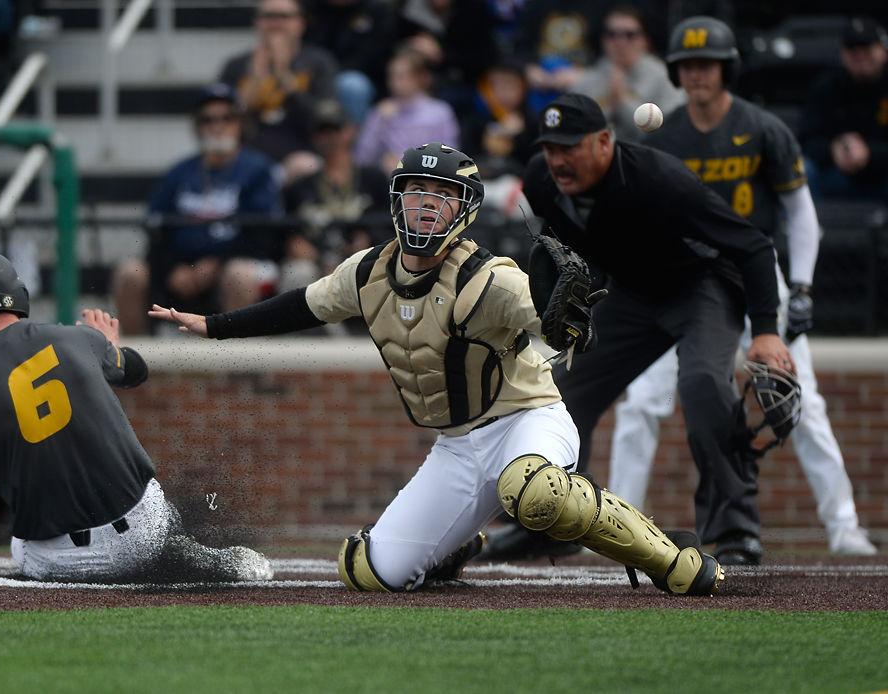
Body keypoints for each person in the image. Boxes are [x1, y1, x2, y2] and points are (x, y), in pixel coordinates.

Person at [150, 142, 725, 596]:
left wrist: (568, 319)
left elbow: (552, 322)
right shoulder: (367, 271)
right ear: (395, 200)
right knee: (369, 571)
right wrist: (216, 324)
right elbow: (302, 304)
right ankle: (453, 546)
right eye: (414, 192)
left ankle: (670, 557)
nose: (424, 205)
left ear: (465, 208)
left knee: (533, 492)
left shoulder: (489, 276)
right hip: (455, 444)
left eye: (439, 195)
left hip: (529, 418)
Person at [603, 16, 877, 557]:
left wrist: (800, 287)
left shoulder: (763, 128)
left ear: (726, 69)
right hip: (682, 281)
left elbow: (802, 216)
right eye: (687, 65)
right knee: (640, 405)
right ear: (677, 74)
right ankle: (614, 532)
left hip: (756, 276)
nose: (698, 73)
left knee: (801, 402)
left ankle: (844, 526)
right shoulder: (668, 135)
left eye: (707, 64)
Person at [520, 92, 795, 566]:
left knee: (705, 385)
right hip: (631, 294)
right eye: (550, 148)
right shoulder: (540, 179)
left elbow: (752, 245)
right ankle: (552, 521)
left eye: (570, 147)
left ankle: (735, 527)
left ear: (604, 141)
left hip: (700, 285)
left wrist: (767, 330)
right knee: (558, 394)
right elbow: (575, 242)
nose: (557, 160)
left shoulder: (660, 179)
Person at [0, 250, 272, 583]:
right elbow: (136, 370)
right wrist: (107, 346)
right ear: (14, 292)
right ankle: (184, 547)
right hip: (145, 533)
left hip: (59, 560)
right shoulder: (77, 337)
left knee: (19, 544)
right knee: (155, 508)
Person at [112, 84, 284, 336]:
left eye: (227, 117)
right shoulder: (179, 173)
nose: (218, 125)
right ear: (197, 126)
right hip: (180, 269)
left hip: (235, 267)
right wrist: (172, 268)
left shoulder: (258, 170)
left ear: (240, 123)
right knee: (130, 273)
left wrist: (214, 264)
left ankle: (240, 373)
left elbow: (262, 234)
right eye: (208, 119)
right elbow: (156, 226)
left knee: (239, 275)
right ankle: (137, 368)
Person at [218, 0, 339, 168]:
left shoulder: (319, 63)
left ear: (301, 24)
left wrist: (283, 75)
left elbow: (322, 121)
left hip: (303, 156)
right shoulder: (236, 66)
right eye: (268, 16)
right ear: (256, 22)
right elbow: (221, 121)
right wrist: (254, 80)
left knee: (304, 166)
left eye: (284, 16)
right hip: (247, 159)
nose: (276, 23)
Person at [283, 99, 390, 286]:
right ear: (314, 137)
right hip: (316, 263)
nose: (329, 137)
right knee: (298, 272)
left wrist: (370, 239)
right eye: (322, 131)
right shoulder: (301, 186)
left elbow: (390, 222)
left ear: (350, 130)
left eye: (335, 129)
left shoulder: (373, 179)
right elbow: (287, 231)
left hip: (364, 261)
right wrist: (295, 242)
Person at [798, 17, 888, 201]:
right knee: (804, 170)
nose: (860, 56)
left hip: (882, 173)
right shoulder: (827, 86)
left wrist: (869, 152)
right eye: (853, 50)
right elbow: (805, 140)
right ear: (843, 54)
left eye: (867, 48)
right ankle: (811, 229)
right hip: (837, 174)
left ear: (883, 51)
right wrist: (833, 149)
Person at [572, 5, 684, 143]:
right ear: (603, 40)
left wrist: (622, 101)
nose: (620, 42)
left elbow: (668, 132)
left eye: (630, 35)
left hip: (648, 156)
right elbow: (577, 133)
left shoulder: (665, 78)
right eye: (612, 34)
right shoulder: (588, 79)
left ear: (645, 40)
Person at [354, 48, 460, 175]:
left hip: (428, 180)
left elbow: (451, 158)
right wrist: (379, 123)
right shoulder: (380, 112)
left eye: (401, 77)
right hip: (387, 182)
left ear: (419, 78)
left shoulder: (440, 113)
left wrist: (409, 163)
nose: (395, 83)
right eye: (391, 76)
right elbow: (361, 160)